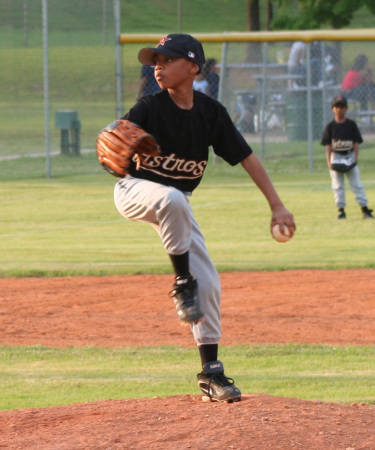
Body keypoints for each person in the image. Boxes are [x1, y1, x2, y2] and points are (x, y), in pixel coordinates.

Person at [112, 33, 296, 403]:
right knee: (171, 199)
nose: (157, 66)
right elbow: (117, 146)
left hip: (176, 204)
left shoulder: (211, 113)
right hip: (134, 191)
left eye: (166, 59)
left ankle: (211, 373)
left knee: (209, 282)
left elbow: (246, 156)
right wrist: (113, 150)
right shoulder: (148, 108)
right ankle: (182, 282)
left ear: (193, 66)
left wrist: (277, 205)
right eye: (155, 60)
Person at [320, 95, 374, 220]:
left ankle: (365, 209)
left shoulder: (351, 124)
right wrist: (329, 161)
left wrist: (355, 158)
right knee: (337, 185)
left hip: (349, 155)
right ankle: (341, 210)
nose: (340, 109)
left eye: (342, 107)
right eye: (337, 107)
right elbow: (328, 145)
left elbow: (356, 143)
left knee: (357, 184)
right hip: (336, 156)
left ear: (346, 109)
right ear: (333, 109)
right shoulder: (330, 126)